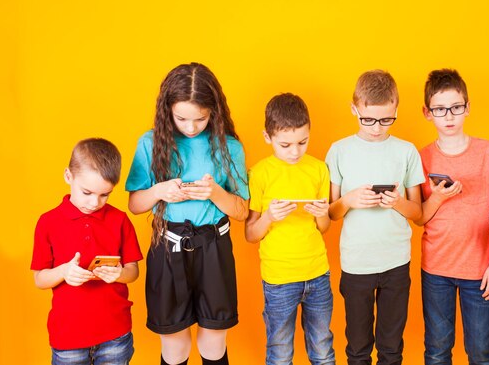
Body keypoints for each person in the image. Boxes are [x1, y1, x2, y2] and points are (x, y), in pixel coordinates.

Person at [126, 63, 249, 365]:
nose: (191, 127)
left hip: (214, 247)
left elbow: (243, 211)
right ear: (167, 109)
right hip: (167, 248)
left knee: (213, 341)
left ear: (214, 112)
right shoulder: (150, 142)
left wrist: (216, 194)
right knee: (175, 345)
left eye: (201, 119)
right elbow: (135, 204)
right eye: (181, 118)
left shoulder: (229, 146)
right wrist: (159, 191)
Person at [325, 70, 425, 365]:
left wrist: (397, 203)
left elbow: (418, 214)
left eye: (386, 120)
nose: (377, 128)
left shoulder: (406, 151)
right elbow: (331, 213)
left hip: (396, 261)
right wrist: (349, 199)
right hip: (356, 264)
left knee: (391, 347)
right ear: (354, 109)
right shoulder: (339, 151)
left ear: (396, 110)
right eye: (367, 119)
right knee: (357, 348)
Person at [416, 68, 489, 365]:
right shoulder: (421, 157)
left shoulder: (488, 152)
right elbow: (419, 216)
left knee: (481, 351)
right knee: (437, 349)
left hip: (480, 270)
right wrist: (440, 196)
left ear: (467, 107)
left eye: (456, 107)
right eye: (440, 109)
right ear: (427, 113)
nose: (449, 116)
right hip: (436, 269)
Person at [31, 138, 143, 365]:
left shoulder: (119, 220)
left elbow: (133, 271)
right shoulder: (47, 222)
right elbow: (40, 279)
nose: (95, 202)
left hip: (116, 334)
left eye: (105, 195)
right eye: (87, 192)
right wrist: (63, 271)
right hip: (68, 336)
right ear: (68, 177)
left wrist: (119, 274)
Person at [245, 93, 336, 365]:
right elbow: (250, 234)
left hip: (318, 274)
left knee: (322, 349)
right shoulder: (260, 173)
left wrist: (322, 214)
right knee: (280, 351)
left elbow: (325, 228)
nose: (295, 152)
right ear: (267, 137)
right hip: (279, 278)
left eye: (302, 142)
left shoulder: (319, 169)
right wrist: (269, 216)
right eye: (285, 145)